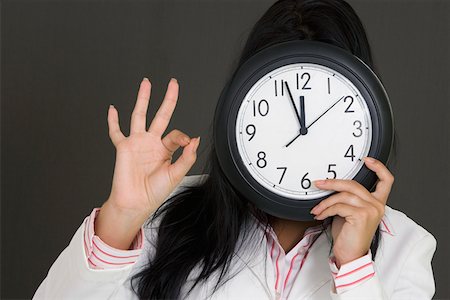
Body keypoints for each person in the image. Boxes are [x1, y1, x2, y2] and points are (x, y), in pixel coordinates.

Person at [33, 0, 437, 299]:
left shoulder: (404, 245)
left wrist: (354, 268)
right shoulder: (165, 214)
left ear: (364, 113)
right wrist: (120, 219)